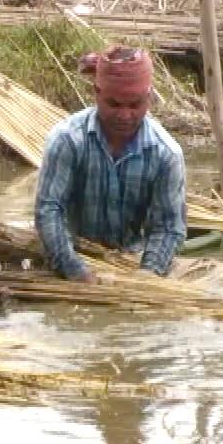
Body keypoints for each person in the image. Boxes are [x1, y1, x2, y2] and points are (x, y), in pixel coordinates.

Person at [34, 45, 186, 283]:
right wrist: (73, 269)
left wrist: (147, 277)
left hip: (131, 262)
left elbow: (168, 226)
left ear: (149, 98)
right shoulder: (68, 140)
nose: (125, 116)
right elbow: (48, 210)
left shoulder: (165, 154)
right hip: (69, 259)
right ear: (96, 93)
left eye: (135, 105)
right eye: (114, 104)